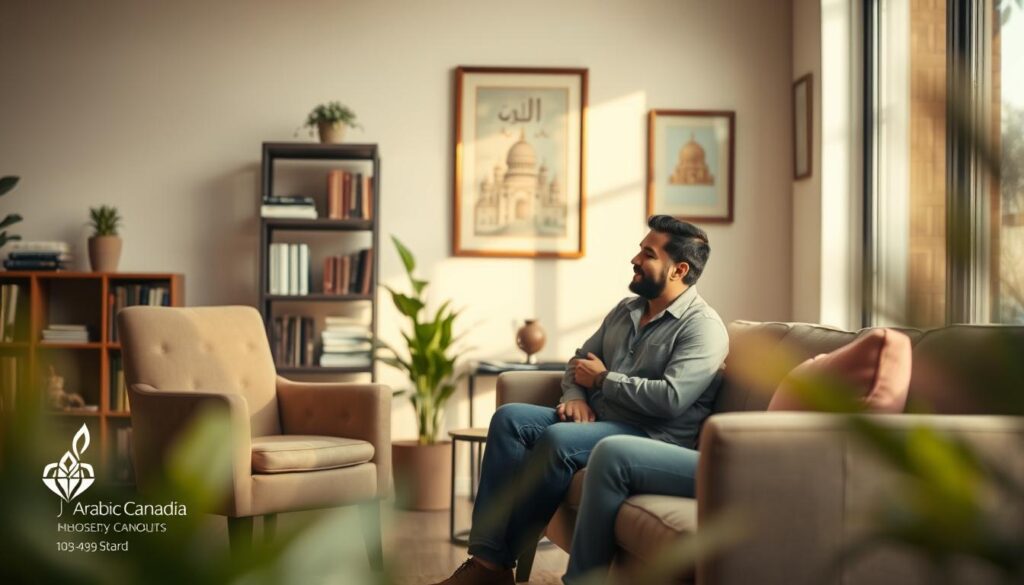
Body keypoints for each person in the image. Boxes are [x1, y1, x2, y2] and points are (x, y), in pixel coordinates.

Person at [432, 215, 729, 585]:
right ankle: (487, 564)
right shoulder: (627, 309)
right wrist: (576, 396)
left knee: (559, 440)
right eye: (639, 250)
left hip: (651, 436)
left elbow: (670, 399)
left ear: (678, 269)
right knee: (509, 419)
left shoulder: (703, 328)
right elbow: (578, 361)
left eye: (647, 254)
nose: (635, 259)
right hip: (601, 420)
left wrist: (604, 379)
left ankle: (495, 562)